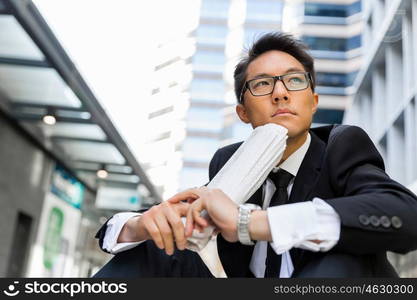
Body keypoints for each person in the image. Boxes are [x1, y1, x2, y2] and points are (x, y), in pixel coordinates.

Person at [94, 32, 417, 278]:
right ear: (243, 112)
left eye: (294, 80)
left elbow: (405, 215)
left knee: (340, 250)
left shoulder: (341, 145)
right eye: (262, 84)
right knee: (158, 248)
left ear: (313, 101)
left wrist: (251, 222)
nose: (280, 93)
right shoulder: (230, 160)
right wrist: (139, 226)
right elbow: (182, 215)